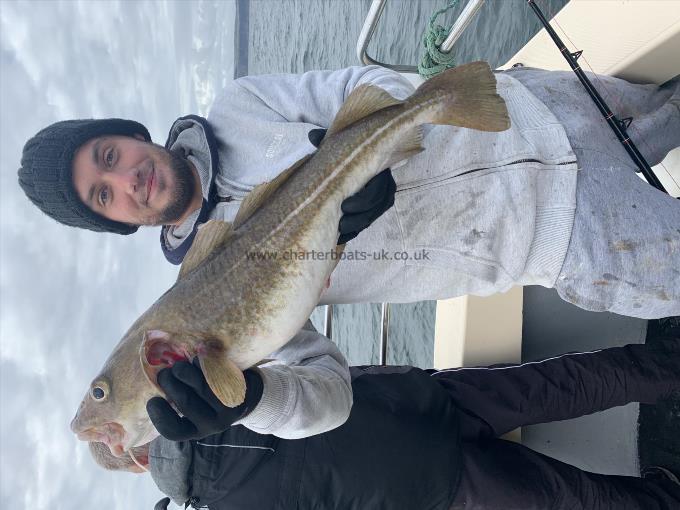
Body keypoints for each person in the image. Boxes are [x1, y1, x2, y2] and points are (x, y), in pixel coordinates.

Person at [18, 65, 680, 318]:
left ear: (128, 135)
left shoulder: (238, 103)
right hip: (556, 239)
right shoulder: (209, 282)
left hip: (525, 108)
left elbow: (364, 84)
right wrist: (250, 402)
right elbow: (311, 388)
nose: (125, 180)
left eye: (109, 156)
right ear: (119, 224)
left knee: (669, 108)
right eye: (103, 197)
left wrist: (341, 154)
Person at [89, 321, 680, 510]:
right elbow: (297, 343)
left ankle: (663, 494)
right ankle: (666, 366)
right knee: (558, 385)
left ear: (139, 463)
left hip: (434, 490)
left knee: (575, 501)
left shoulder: (218, 504)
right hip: (412, 404)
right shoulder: (207, 374)